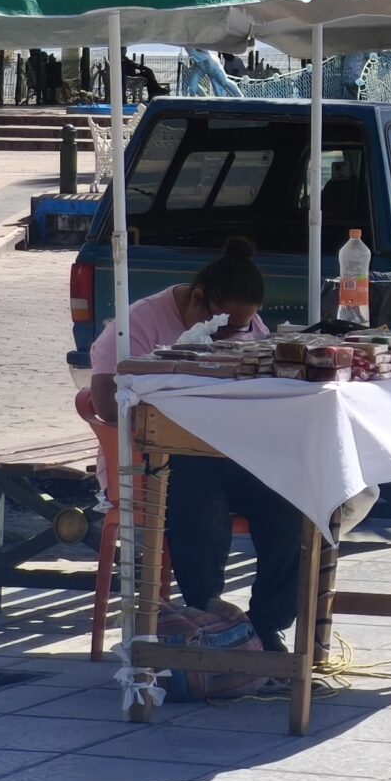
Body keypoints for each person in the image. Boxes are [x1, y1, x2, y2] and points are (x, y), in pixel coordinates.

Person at [83, 239, 306, 653]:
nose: (234, 334)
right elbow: (103, 402)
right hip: (156, 459)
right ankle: (207, 615)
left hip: (229, 453)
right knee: (200, 506)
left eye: (242, 328)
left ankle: (266, 625)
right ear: (199, 300)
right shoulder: (139, 322)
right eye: (225, 327)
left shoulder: (249, 325)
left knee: (293, 503)